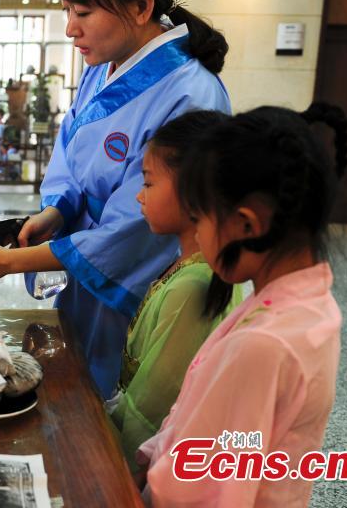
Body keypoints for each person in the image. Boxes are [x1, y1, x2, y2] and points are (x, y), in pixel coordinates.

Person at [0, 0, 231, 398]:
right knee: (80, 390)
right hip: (86, 265)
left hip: (138, 280)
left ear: (141, 6)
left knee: (126, 406)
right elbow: (71, 155)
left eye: (83, 12)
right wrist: (54, 214)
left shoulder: (191, 95)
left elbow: (137, 228)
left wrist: (10, 263)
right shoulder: (103, 64)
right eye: (67, 9)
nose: (70, 28)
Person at [138, 103, 347, 507]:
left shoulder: (264, 344)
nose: (196, 235)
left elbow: (204, 490)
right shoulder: (305, 303)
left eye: (199, 219)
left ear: (248, 226)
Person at [108, 111, 242, 471]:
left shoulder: (194, 288)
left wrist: (112, 465)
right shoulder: (187, 267)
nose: (139, 196)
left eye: (149, 183)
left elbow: (150, 409)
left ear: (192, 192)